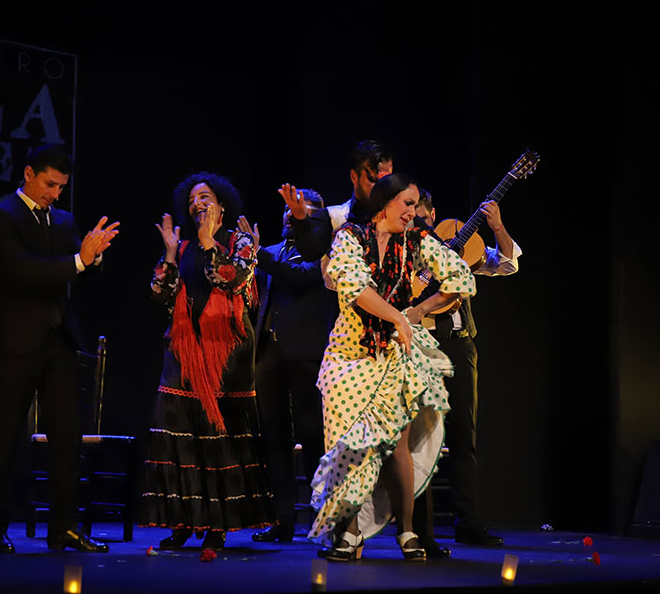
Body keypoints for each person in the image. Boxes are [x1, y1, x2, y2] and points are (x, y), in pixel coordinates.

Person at [308, 174, 476, 562]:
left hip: (391, 355)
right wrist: (399, 317)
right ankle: (350, 534)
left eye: (415, 205)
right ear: (385, 204)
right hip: (349, 355)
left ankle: (407, 531)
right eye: (407, 203)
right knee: (348, 444)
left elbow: (460, 276)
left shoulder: (415, 240)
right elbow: (355, 288)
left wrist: (418, 310)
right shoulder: (350, 237)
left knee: (398, 444)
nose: (413, 212)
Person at [0, 146, 119, 554]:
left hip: (58, 340)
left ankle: (64, 528)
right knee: (5, 436)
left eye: (61, 187)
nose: (55, 194)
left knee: (67, 437)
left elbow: (80, 267)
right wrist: (79, 260)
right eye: (49, 184)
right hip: (15, 340)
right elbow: (22, 270)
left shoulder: (63, 220)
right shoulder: (1, 214)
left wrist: (93, 258)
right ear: (29, 174)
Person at [143, 172, 276, 550]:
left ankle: (217, 526)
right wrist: (170, 253)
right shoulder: (183, 246)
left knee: (220, 437)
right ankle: (184, 521)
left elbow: (232, 279)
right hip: (184, 352)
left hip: (229, 352)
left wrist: (207, 242)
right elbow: (160, 295)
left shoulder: (240, 241)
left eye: (204, 197)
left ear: (222, 205)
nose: (196, 204)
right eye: (191, 200)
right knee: (180, 437)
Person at [411, 188, 522, 551]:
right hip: (423, 345)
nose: (418, 222)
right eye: (411, 216)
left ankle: (468, 523)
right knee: (421, 440)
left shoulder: (459, 245)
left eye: (422, 216)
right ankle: (419, 531)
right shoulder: (407, 248)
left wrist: (498, 227)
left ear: (433, 214)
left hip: (460, 344)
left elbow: (506, 264)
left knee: (464, 437)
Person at [240, 189, 336, 543]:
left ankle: (320, 517)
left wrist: (257, 253)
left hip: (305, 353)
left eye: (299, 211)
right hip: (269, 352)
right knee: (274, 437)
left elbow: (299, 276)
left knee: (312, 437)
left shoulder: (323, 254)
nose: (288, 216)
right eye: (286, 209)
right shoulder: (272, 251)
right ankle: (281, 521)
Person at [283, 139, 394, 263]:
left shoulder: (400, 216)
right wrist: (300, 219)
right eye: (373, 180)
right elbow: (310, 254)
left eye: (386, 181)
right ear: (354, 176)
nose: (381, 187)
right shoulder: (332, 217)